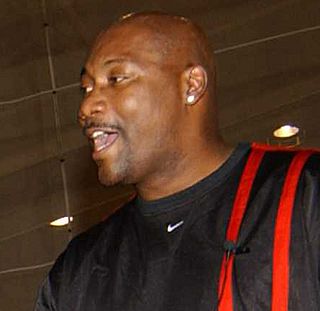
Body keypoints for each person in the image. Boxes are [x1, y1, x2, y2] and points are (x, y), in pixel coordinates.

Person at [35, 12, 320, 311]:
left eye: (116, 79)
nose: (86, 106)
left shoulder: (304, 196)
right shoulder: (79, 271)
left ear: (192, 85)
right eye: (87, 88)